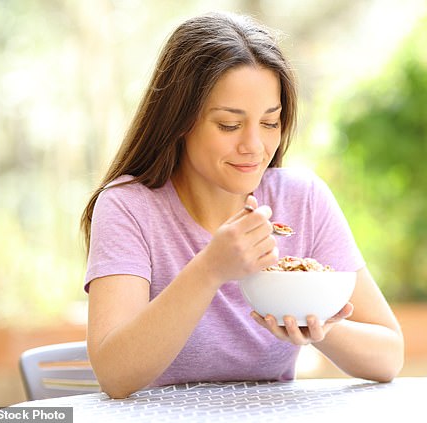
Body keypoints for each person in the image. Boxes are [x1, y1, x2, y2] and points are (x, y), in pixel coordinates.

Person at [80, 11, 404, 399]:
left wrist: (317, 325)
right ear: (180, 120)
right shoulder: (127, 207)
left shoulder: (301, 199)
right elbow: (114, 375)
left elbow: (389, 356)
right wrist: (210, 269)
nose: (254, 146)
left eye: (270, 123)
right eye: (229, 125)